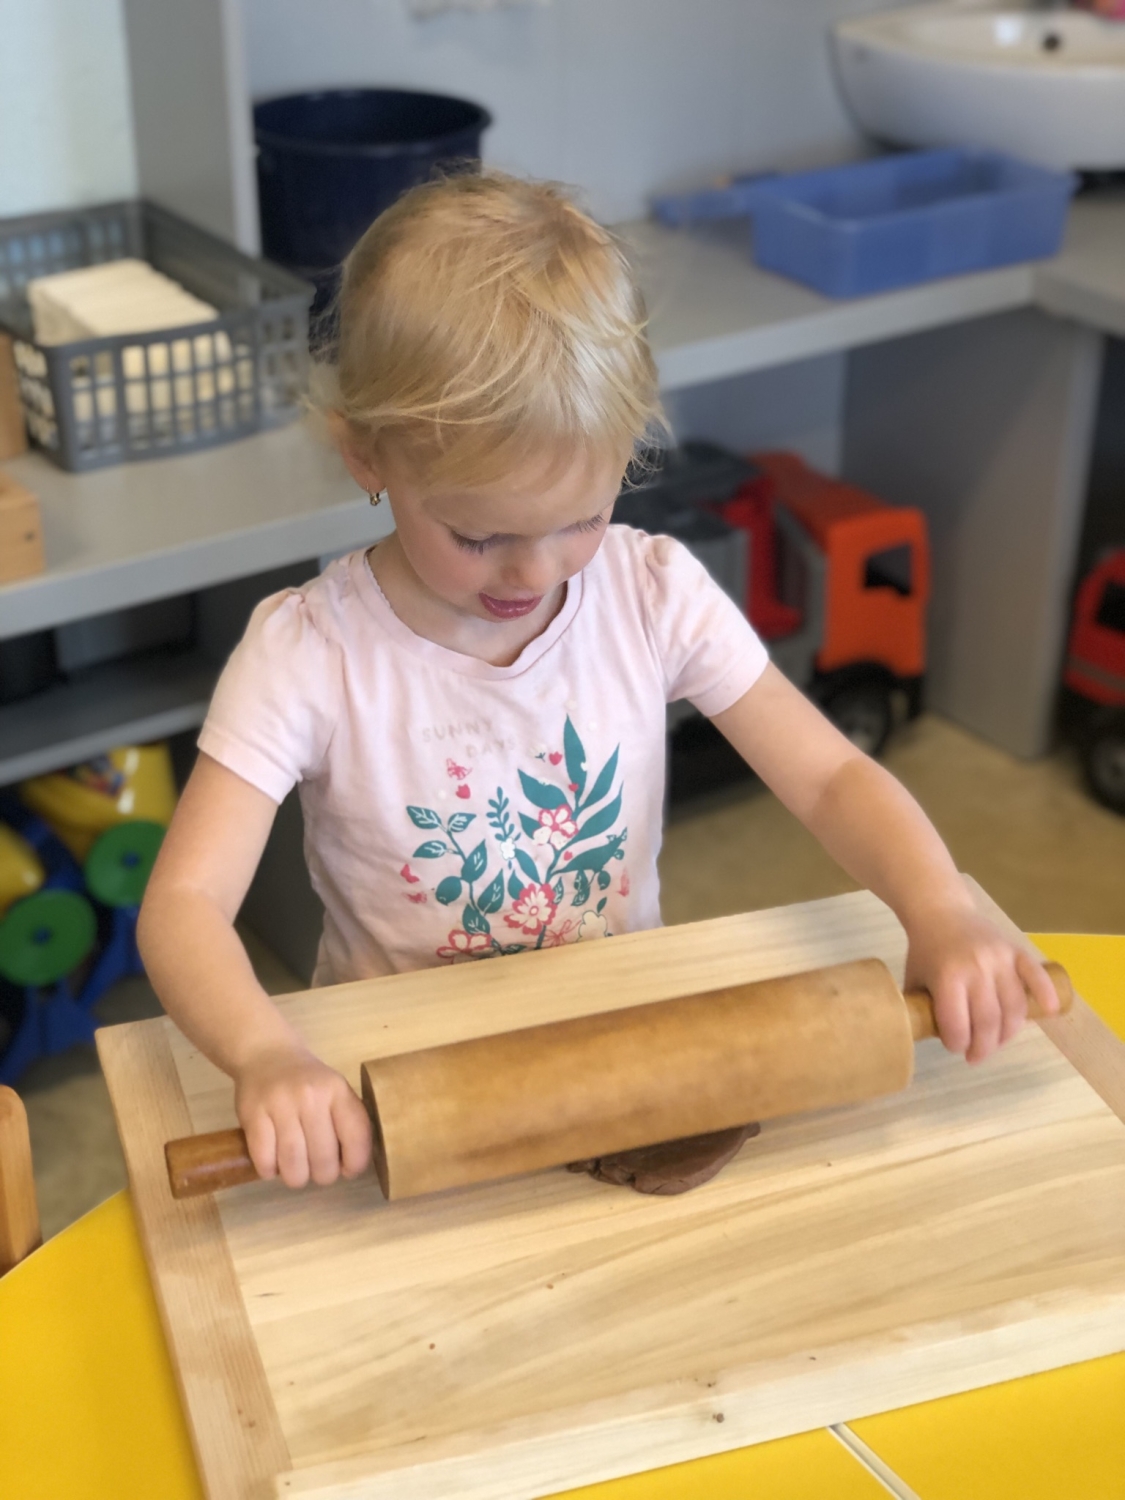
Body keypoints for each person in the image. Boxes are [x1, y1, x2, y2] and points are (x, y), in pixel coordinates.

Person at [137, 170, 1059, 1193]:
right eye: (478, 535)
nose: (532, 573)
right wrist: (267, 1056)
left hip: (622, 1043)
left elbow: (830, 777)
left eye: (579, 519)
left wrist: (938, 906)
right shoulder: (309, 654)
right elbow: (183, 904)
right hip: (401, 1087)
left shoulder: (650, 593)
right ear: (367, 455)